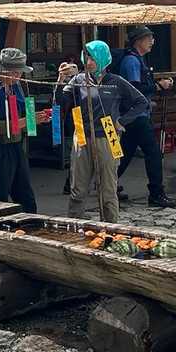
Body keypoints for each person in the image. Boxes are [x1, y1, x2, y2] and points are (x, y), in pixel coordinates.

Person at [56, 40, 148, 222]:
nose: (88, 62)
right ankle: (74, 226)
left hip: (108, 134)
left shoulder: (116, 82)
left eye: (93, 58)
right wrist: (60, 80)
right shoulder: (78, 80)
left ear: (103, 59)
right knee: (77, 190)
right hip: (81, 134)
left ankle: (111, 228)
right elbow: (60, 102)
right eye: (86, 57)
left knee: (108, 190)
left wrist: (121, 121)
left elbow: (141, 102)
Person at [115, 26, 175, 208]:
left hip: (135, 114)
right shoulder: (132, 62)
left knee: (125, 153)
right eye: (149, 38)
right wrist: (158, 86)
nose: (152, 42)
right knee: (153, 153)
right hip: (136, 115)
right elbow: (134, 89)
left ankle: (107, 184)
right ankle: (156, 194)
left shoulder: (137, 59)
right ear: (138, 41)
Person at [0, 48, 41, 213]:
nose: (18, 76)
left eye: (20, 73)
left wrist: (36, 119)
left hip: (16, 146)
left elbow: (23, 114)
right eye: (15, 73)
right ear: (3, 71)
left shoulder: (17, 86)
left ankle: (30, 224)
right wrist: (26, 121)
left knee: (26, 197)